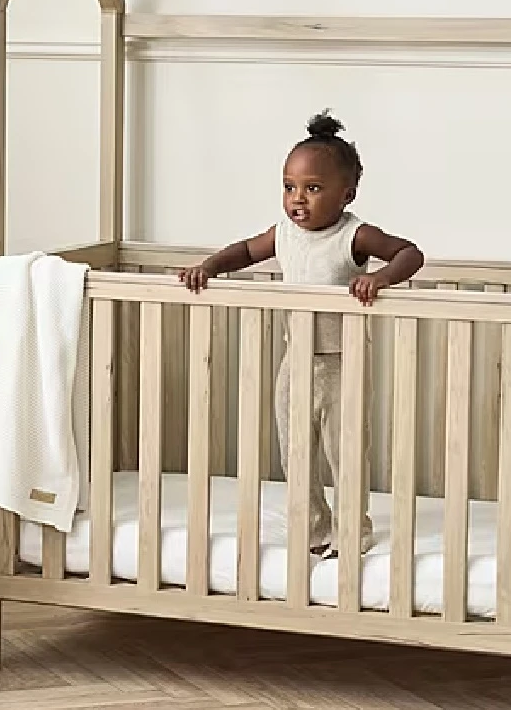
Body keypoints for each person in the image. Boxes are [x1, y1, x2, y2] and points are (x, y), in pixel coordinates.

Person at [180, 111, 424, 557]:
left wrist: (381, 278)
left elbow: (410, 253)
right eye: (289, 186)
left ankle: (352, 529)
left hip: (343, 361)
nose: (298, 198)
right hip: (296, 360)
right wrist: (209, 266)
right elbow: (245, 250)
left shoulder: (354, 235)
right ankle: (313, 527)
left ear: (347, 194)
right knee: (294, 449)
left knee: (345, 450)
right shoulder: (284, 234)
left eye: (313, 188)